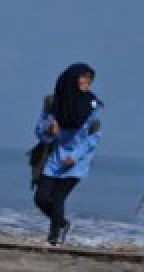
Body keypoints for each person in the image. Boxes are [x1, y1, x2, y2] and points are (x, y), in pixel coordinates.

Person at [33, 64, 103, 245]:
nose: (87, 82)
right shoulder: (53, 103)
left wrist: (76, 156)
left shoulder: (92, 105)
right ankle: (62, 223)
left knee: (58, 197)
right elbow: (39, 130)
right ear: (71, 79)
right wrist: (48, 132)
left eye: (90, 78)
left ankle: (53, 238)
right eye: (83, 77)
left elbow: (94, 137)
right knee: (40, 198)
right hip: (55, 157)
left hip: (77, 160)